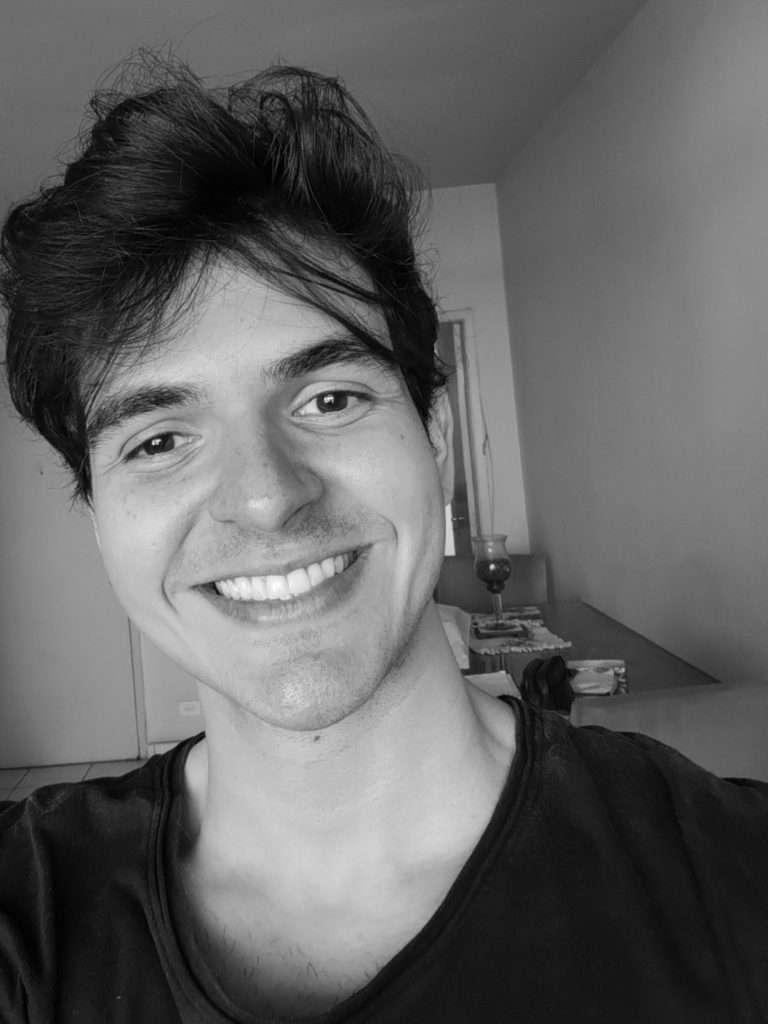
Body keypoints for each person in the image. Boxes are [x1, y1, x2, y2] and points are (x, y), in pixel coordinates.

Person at [1, 55, 767, 1024]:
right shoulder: (29, 913)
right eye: (158, 440)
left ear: (433, 438)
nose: (265, 498)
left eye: (328, 398)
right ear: (100, 515)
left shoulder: (734, 882)